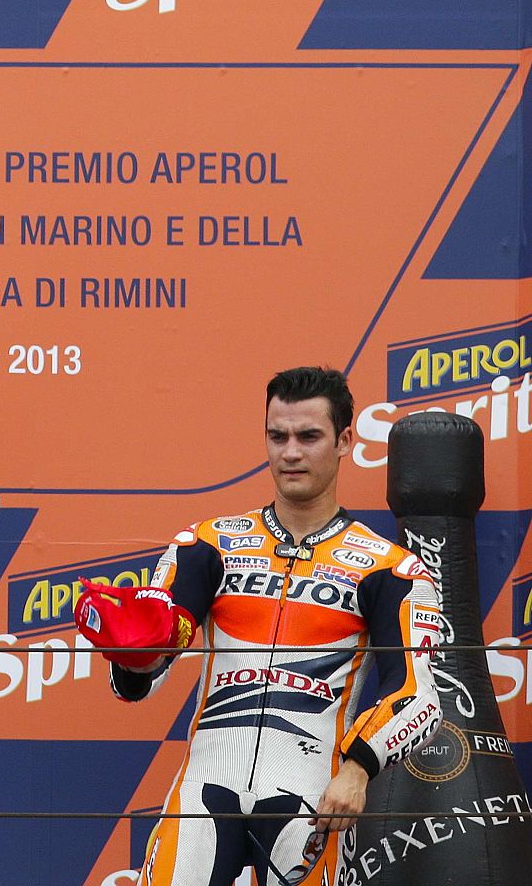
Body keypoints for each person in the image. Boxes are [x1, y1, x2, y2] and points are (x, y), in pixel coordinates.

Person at [74, 367, 442, 885]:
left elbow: (418, 694)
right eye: (277, 436)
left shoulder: (390, 568)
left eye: (308, 437)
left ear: (344, 441)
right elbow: (144, 671)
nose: (290, 453)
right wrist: (134, 657)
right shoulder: (206, 544)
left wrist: (358, 771)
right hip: (206, 785)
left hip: (312, 795)